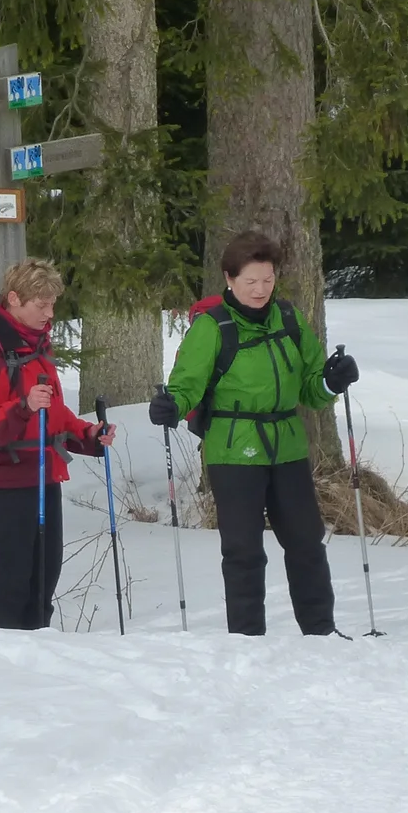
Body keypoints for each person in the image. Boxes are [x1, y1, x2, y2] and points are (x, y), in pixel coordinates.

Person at [147, 230, 360, 636]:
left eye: (267, 279)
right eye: (251, 281)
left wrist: (333, 381)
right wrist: (171, 404)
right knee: (243, 551)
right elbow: (187, 382)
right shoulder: (212, 328)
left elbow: (311, 387)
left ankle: (320, 633)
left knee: (306, 544)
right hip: (233, 449)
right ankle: (246, 641)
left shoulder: (291, 319)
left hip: (288, 446)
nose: (261, 289)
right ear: (229, 279)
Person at [0, 258, 115, 630]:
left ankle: (36, 663)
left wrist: (88, 437)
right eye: (41, 305)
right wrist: (23, 408)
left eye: (53, 304)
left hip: (43, 474)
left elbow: (54, 409)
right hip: (3, 480)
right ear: (14, 299)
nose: (49, 313)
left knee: (43, 580)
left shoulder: (37, 342)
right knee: (9, 582)